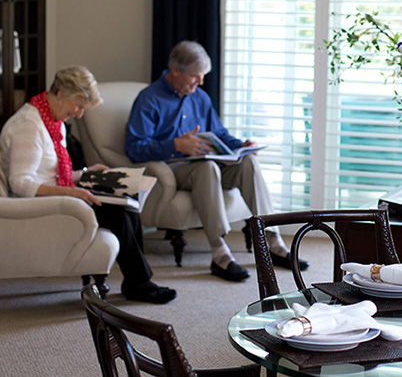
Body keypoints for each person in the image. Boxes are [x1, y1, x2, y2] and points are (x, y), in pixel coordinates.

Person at [125, 41, 306, 282]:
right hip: (172, 169)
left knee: (248, 163)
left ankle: (272, 241)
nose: (200, 83)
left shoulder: (199, 97)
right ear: (175, 70)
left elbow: (219, 134)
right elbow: (134, 148)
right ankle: (219, 252)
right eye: (195, 77)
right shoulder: (149, 99)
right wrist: (175, 145)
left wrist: (241, 146)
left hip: (206, 163)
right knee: (207, 167)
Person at [0, 66, 176, 304]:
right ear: (61, 93)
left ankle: (137, 282)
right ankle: (139, 283)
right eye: (79, 106)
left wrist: (83, 174)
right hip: (37, 207)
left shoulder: (50, 119)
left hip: (53, 195)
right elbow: (20, 183)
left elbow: (46, 172)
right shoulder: (29, 126)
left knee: (128, 204)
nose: (80, 114)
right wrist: (72, 192)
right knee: (118, 214)